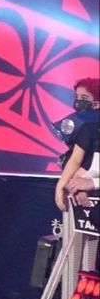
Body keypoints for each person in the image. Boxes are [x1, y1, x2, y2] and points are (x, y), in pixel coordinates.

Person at [55, 78, 100, 211]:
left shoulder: (88, 125)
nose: (78, 101)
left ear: (96, 104)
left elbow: (77, 160)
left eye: (84, 97)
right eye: (77, 97)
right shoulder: (85, 125)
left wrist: (61, 187)